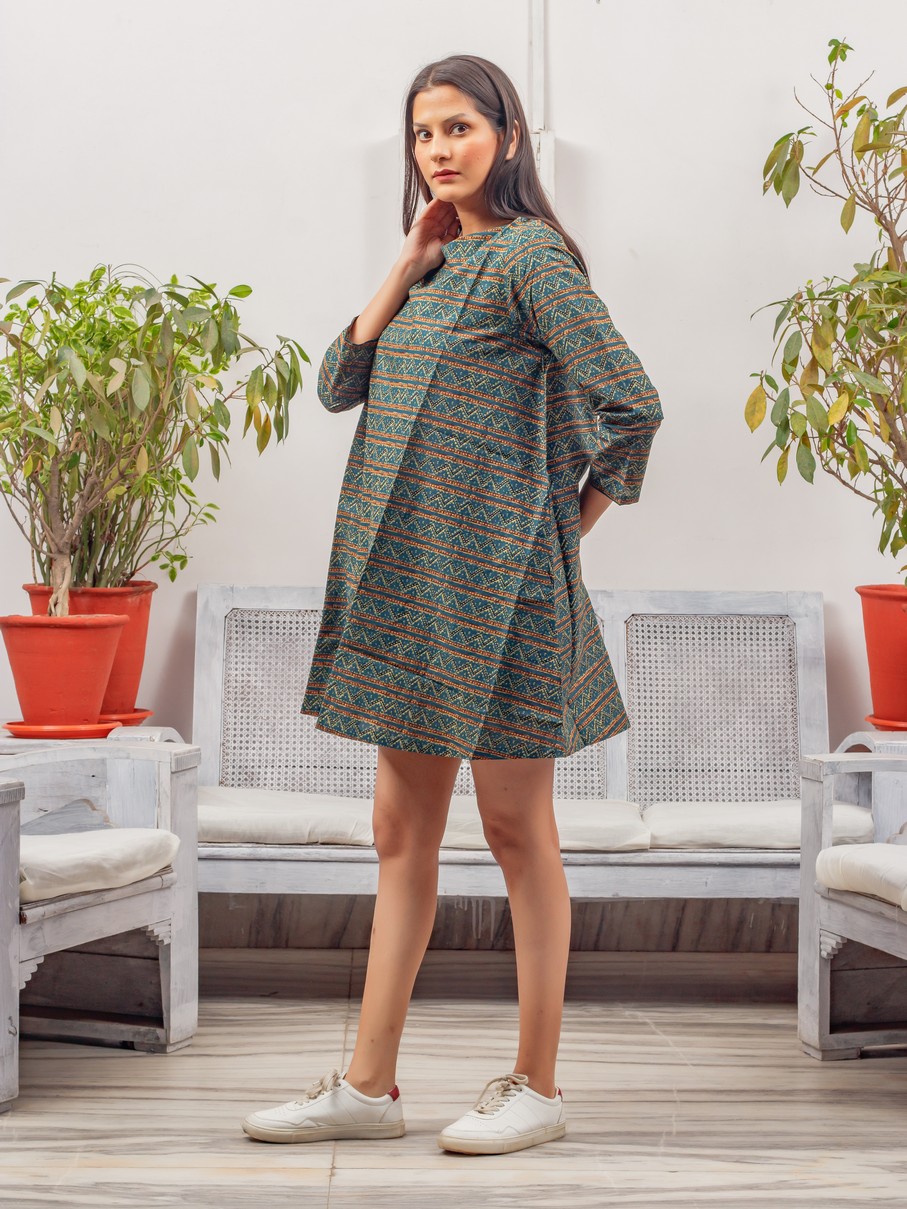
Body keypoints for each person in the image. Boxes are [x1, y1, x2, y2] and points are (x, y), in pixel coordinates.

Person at [241, 52, 662, 1157]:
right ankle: (368, 1087)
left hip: (504, 601)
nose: (439, 148)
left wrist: (558, 536)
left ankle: (538, 1086)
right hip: (410, 593)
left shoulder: (530, 259)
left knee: (517, 831)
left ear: (507, 137)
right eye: (424, 132)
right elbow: (337, 382)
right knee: (400, 834)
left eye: (461, 127)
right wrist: (404, 260)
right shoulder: (436, 262)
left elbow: (632, 407)